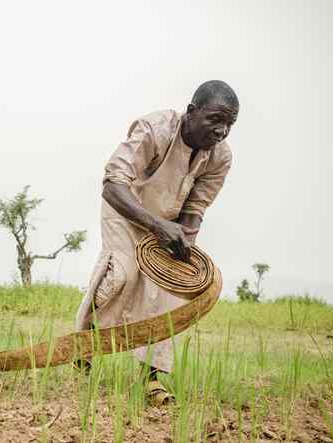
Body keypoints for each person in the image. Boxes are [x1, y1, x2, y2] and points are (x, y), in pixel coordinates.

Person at [75, 80, 239, 405]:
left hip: (169, 222)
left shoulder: (220, 157)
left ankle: (150, 379)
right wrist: (156, 225)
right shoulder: (154, 129)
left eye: (229, 124)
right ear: (192, 112)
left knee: (165, 291)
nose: (221, 131)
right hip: (125, 207)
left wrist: (184, 247)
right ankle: (83, 348)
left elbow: (195, 208)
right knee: (123, 274)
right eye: (215, 119)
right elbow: (111, 185)